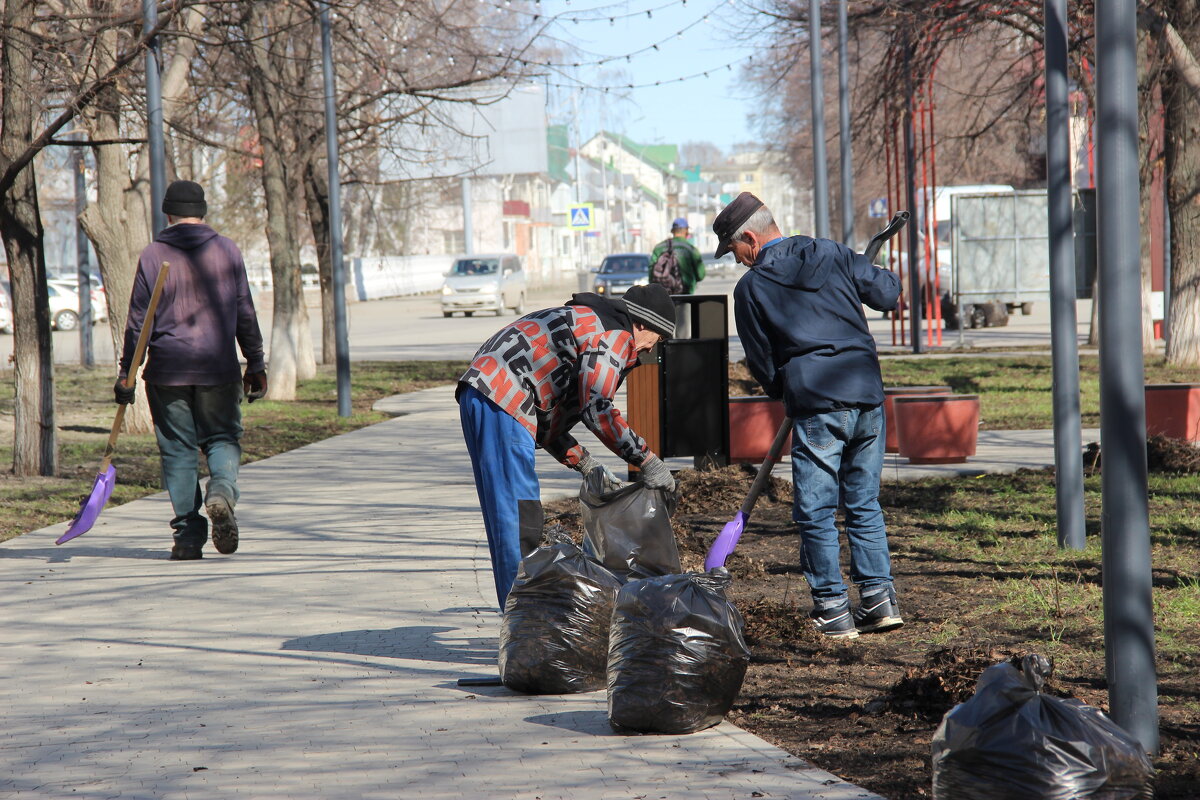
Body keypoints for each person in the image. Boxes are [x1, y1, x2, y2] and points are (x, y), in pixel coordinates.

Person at [716, 191, 904, 639]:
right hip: (866, 395)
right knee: (863, 502)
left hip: (818, 403)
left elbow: (762, 362)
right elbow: (888, 295)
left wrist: (787, 390)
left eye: (735, 251)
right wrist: (872, 272)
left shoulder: (752, 288)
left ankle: (833, 610)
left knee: (816, 511)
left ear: (750, 237)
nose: (737, 261)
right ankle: (879, 601)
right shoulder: (833, 253)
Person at [457, 283, 678, 607]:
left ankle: (517, 616)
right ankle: (523, 627)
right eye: (657, 339)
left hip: (485, 394)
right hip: (501, 396)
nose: (649, 351)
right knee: (518, 516)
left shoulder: (588, 323)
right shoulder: (614, 335)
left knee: (506, 515)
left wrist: (586, 463)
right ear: (643, 323)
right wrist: (647, 460)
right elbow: (598, 409)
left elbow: (549, 424)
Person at [115, 180, 268, 561]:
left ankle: (187, 537)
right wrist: (256, 362)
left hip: (167, 371)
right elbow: (244, 311)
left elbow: (139, 321)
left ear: (167, 212)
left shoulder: (153, 255)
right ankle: (221, 492)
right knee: (221, 438)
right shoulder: (226, 250)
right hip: (218, 366)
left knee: (178, 452)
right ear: (203, 211)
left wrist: (126, 372)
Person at [649, 217, 706, 295]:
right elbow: (701, 275)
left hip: (663, 296)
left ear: (672, 231)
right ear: (686, 231)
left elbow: (651, 271)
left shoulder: (659, 248)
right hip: (685, 295)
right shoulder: (691, 249)